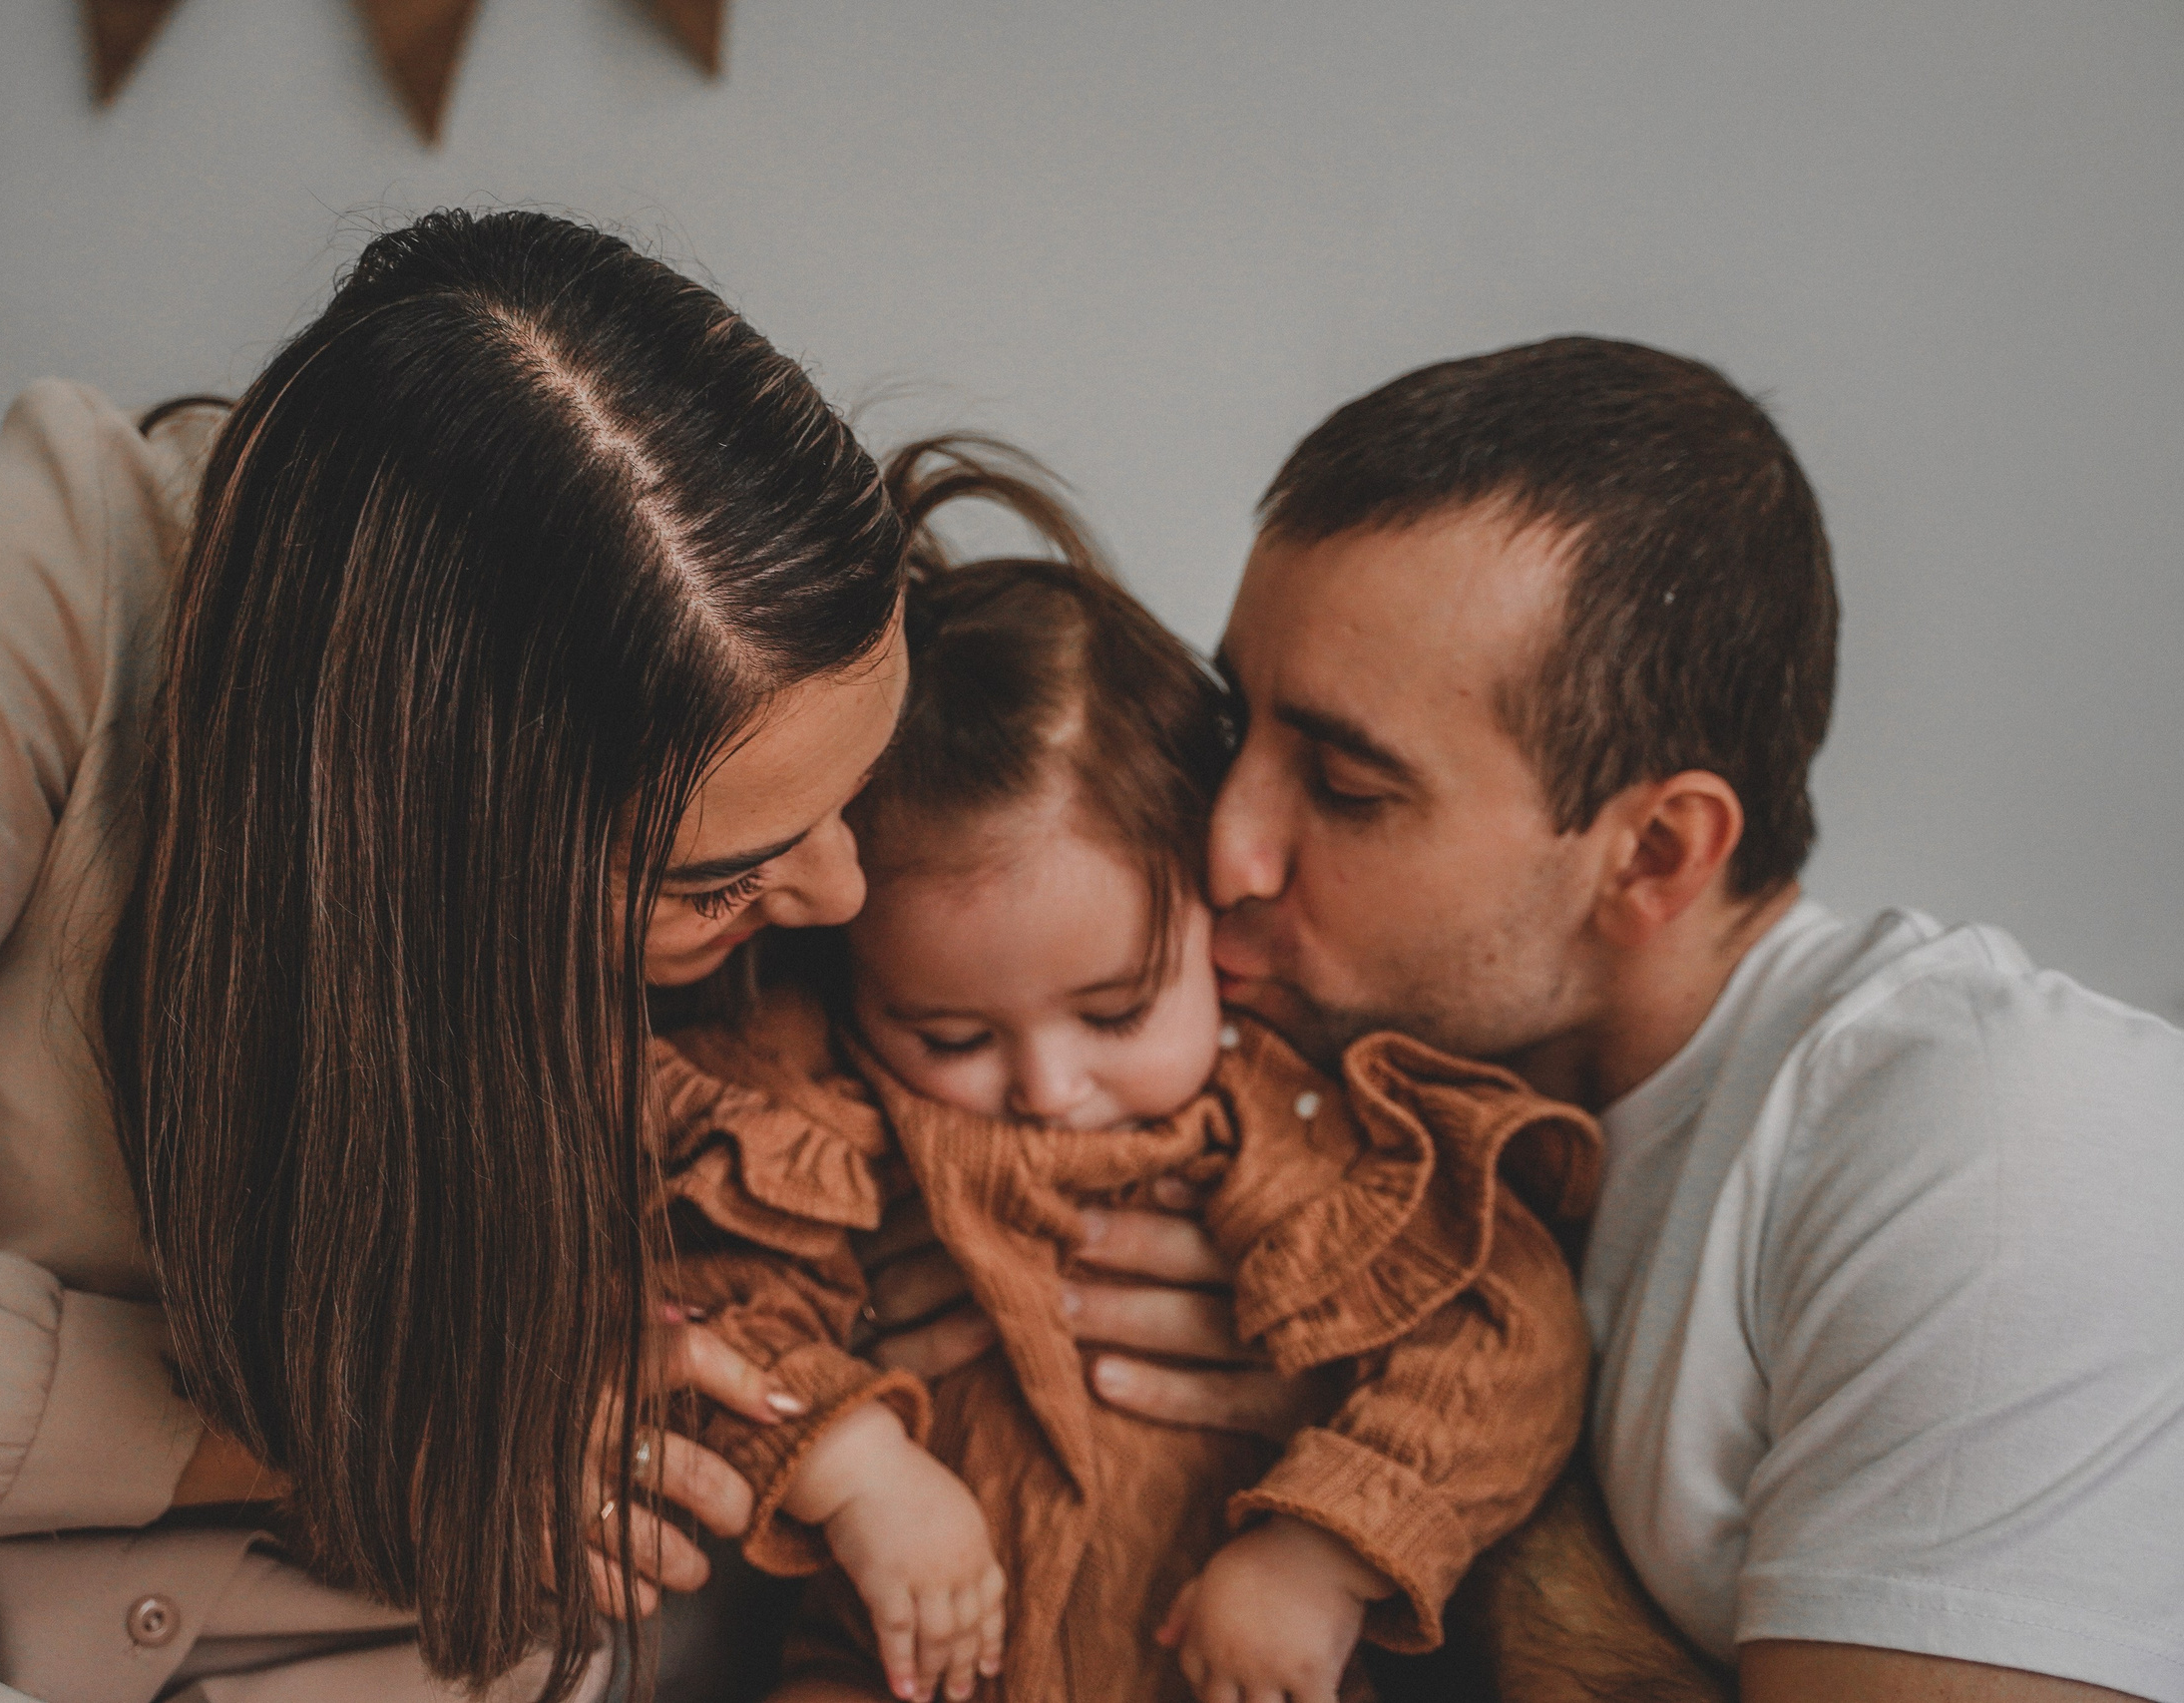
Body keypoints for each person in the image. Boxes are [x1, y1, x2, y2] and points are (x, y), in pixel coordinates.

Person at [0, 210, 914, 1703]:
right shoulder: (76, 558)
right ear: (425, 863)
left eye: (857, 797)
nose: (845, 891)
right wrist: (328, 1432)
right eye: (727, 876)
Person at [867, 339, 2184, 1702]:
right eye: (1232, 721)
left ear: (1654, 854)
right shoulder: (1294, 1090)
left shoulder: (1998, 1133)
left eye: (1343, 781)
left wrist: (1387, 1470)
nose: (1226, 846)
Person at [651, 442, 1598, 1703]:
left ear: (1209, 918)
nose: (1047, 1086)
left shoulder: (1278, 1121)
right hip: (904, 1663)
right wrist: (859, 1462)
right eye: (950, 1035)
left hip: (1206, 1664)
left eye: (1116, 1011)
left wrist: (1321, 1551)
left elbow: (1505, 1339)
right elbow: (712, 1306)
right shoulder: (815, 1104)